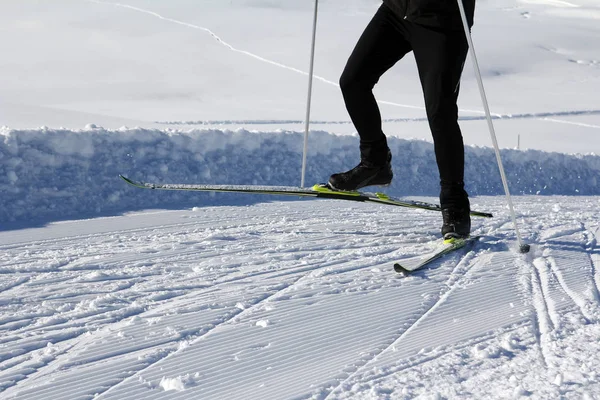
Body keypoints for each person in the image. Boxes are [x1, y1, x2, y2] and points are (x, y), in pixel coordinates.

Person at [328, 0, 476, 240]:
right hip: (397, 10)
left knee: (440, 112)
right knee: (353, 82)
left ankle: (454, 202)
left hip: (443, 22)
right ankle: (375, 164)